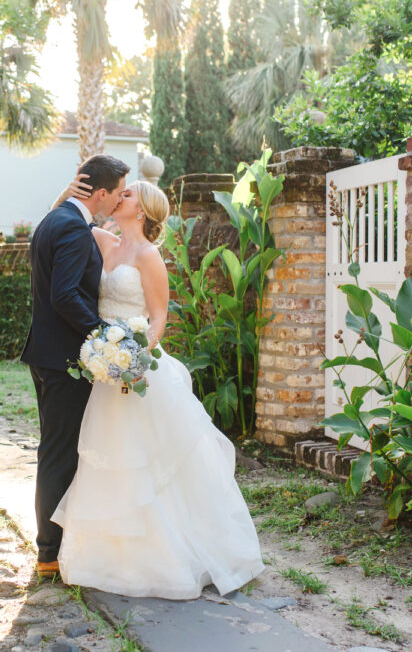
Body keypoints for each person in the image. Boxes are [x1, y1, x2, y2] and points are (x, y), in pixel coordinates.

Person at [49, 179, 265, 599]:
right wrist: (67, 191)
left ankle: (168, 557)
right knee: (110, 460)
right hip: (107, 371)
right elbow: (61, 219)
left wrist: (132, 359)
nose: (116, 197)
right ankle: (114, 558)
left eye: (126, 195)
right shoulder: (103, 241)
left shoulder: (149, 257)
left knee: (150, 463)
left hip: (138, 369)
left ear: (142, 209)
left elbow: (159, 318)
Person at [20, 154, 130, 578]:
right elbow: (65, 295)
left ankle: (57, 547)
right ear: (100, 193)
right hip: (63, 359)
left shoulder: (56, 219)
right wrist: (106, 336)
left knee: (57, 450)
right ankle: (50, 553)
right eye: (118, 192)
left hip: (47, 354)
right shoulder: (69, 226)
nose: (120, 199)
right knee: (59, 453)